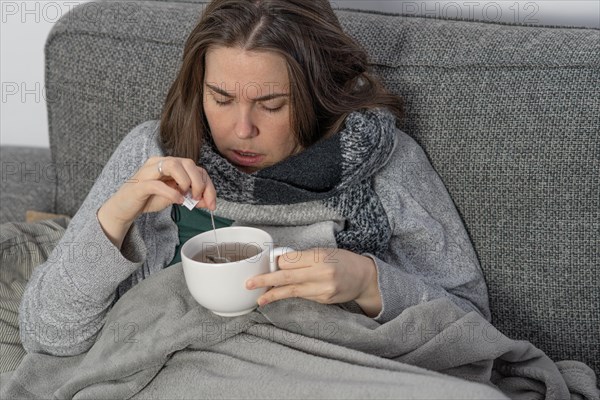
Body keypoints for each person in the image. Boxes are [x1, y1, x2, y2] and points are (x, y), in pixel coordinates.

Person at [19, 0, 490, 356]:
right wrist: (113, 218)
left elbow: (474, 332)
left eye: (271, 105)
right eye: (221, 99)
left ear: (320, 93)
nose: (241, 130)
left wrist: (370, 284)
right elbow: (50, 334)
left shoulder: (385, 163)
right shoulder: (155, 153)